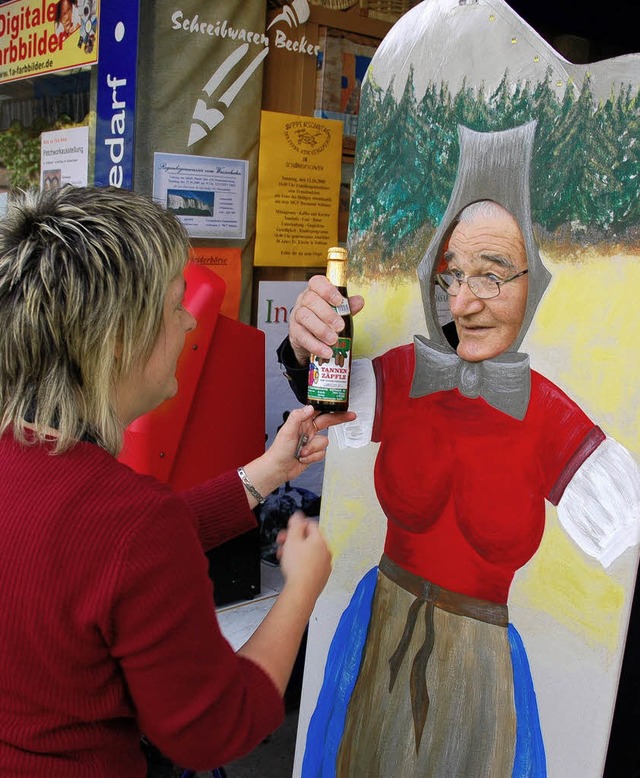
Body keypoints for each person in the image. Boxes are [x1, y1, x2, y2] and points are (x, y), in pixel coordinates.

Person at [0, 185, 355, 777]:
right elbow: (214, 729)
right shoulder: (129, 520)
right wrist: (300, 590)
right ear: (118, 340)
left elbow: (91, 552)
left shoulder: (43, 471)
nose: (190, 319)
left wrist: (265, 474)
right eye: (173, 306)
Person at [279, 195, 640, 776]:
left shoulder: (552, 417)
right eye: (455, 274)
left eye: (493, 277)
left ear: (534, 285)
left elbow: (626, 535)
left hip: (478, 678)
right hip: (376, 637)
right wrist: (303, 347)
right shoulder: (407, 374)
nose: (465, 302)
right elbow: (325, 400)